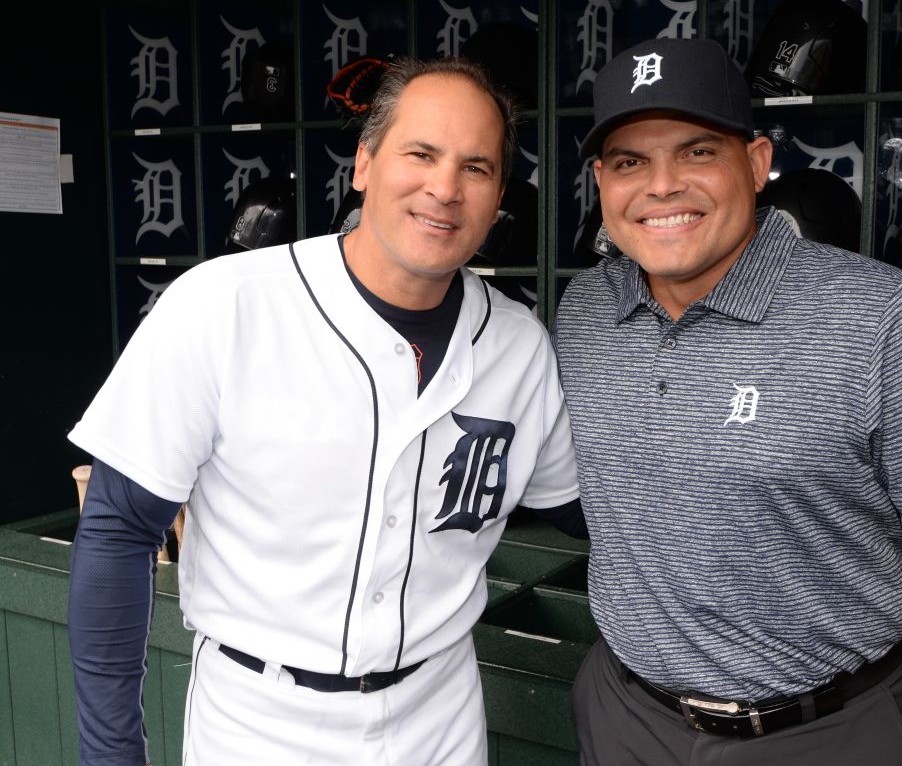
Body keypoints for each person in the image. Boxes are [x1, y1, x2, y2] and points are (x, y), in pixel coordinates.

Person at [67, 55, 583, 766]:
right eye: (421, 154)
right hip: (261, 722)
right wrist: (110, 755)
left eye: (476, 167)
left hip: (439, 719)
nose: (444, 188)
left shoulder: (521, 348)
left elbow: (592, 511)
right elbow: (119, 529)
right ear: (365, 164)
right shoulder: (225, 304)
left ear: (498, 198)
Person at [555, 37, 902, 766]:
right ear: (600, 180)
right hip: (627, 717)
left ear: (755, 162)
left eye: (697, 152)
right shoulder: (584, 309)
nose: (662, 186)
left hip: (825, 731)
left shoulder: (882, 318)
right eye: (629, 162)